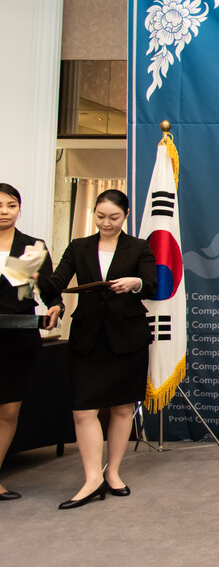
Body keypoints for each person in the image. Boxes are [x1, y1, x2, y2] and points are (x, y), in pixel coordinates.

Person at [44, 189, 156, 510]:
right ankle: (92, 478)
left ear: (126, 216)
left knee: (122, 408)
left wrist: (134, 283)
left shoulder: (139, 247)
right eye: (100, 216)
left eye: (114, 217)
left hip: (127, 338)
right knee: (83, 410)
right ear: (93, 213)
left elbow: (152, 284)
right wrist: (42, 282)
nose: (106, 223)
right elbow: (56, 282)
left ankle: (113, 473)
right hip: (88, 337)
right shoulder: (78, 246)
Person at [0, 184, 63, 501]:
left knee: (9, 410)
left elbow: (48, 290)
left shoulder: (31, 247)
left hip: (17, 337)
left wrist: (55, 305)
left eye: (11, 205)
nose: (4, 211)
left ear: (19, 209)